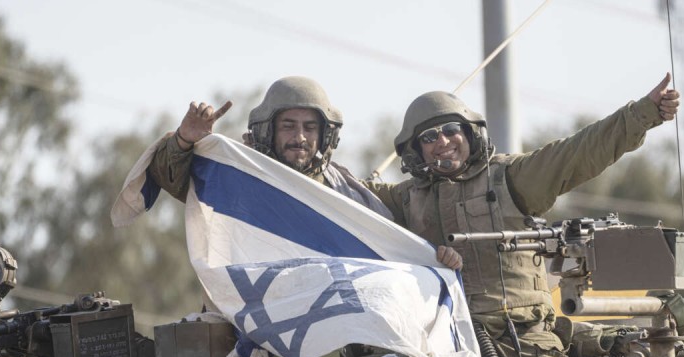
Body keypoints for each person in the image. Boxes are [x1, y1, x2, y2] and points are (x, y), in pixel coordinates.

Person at [365, 73, 681, 357]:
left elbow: (576, 153)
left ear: (469, 133)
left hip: (524, 344)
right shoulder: (405, 199)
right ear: (416, 151)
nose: (443, 142)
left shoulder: (509, 178)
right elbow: (344, 197)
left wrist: (643, 114)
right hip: (443, 346)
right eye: (429, 137)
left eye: (451, 130)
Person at [146, 75, 462, 269]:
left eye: (310, 127)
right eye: (289, 126)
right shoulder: (242, 179)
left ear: (325, 135)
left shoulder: (349, 193)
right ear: (268, 130)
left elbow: (419, 206)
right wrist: (185, 140)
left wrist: (441, 258)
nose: (300, 137)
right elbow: (171, 177)